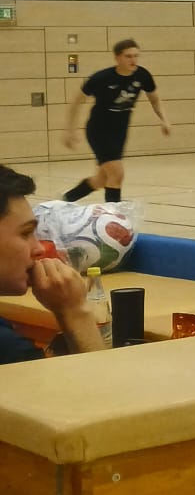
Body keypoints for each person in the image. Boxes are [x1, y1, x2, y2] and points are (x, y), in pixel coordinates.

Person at [0, 166, 108, 360]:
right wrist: (75, 313)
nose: (38, 249)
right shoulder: (8, 348)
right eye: (25, 233)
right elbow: (101, 379)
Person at [60, 40, 169, 203]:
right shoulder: (102, 78)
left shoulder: (142, 75)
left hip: (120, 131)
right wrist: (70, 131)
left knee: (101, 180)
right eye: (128, 56)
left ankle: (65, 200)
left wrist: (164, 120)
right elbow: (76, 103)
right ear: (117, 58)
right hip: (99, 130)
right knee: (117, 174)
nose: (133, 60)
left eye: (136, 56)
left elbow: (154, 99)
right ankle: (112, 214)